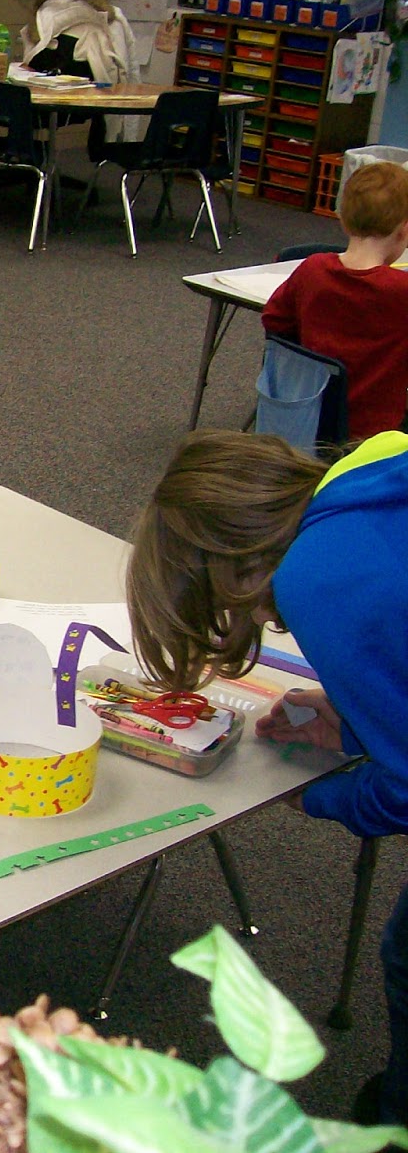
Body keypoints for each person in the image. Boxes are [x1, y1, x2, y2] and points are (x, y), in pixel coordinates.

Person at [127, 427, 408, 1123]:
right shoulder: (374, 460)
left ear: (234, 567)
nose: (255, 618)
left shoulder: (314, 577)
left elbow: (404, 789)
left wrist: (319, 797)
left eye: (233, 607)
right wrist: (356, 711)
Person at [263, 160, 408, 440]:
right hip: (377, 435)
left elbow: (275, 321)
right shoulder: (401, 291)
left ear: (342, 219)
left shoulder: (312, 270)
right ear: (403, 230)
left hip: (309, 417)